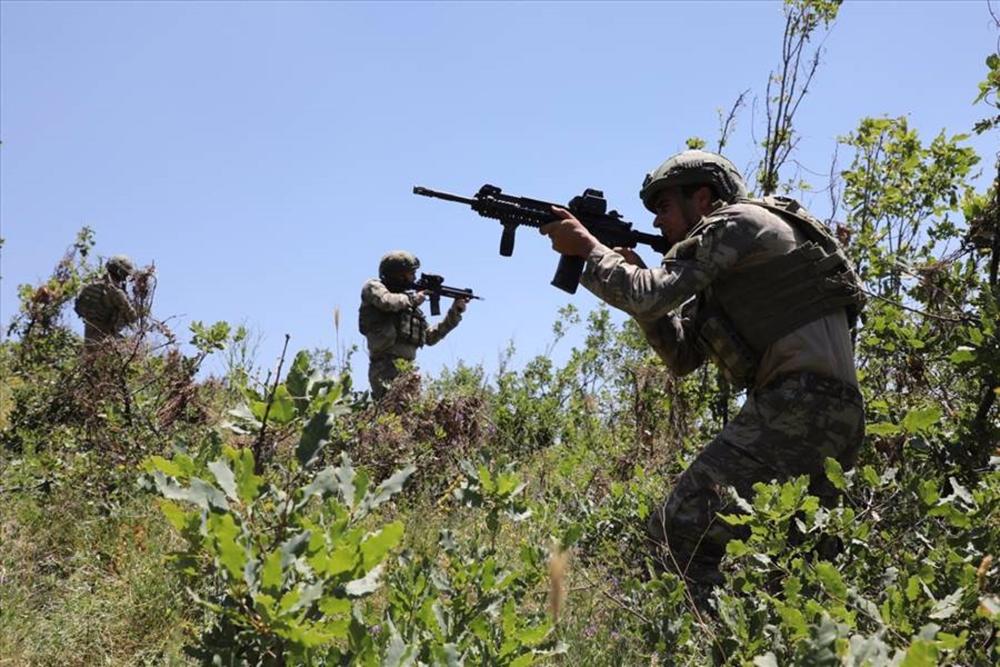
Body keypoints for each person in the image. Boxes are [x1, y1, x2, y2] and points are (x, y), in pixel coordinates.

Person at [540, 150, 865, 605]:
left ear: (704, 199)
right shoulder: (737, 262)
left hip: (796, 403)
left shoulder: (738, 221)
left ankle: (692, 636)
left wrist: (590, 250)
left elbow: (649, 294)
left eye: (664, 207)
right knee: (798, 560)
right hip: (834, 412)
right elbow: (683, 356)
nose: (657, 222)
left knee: (677, 531)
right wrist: (636, 290)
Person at [358, 251, 469, 400]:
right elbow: (387, 301)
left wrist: (455, 312)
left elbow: (430, 337)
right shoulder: (373, 287)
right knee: (390, 410)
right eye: (411, 273)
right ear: (398, 274)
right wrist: (413, 299)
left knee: (409, 412)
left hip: (408, 369)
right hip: (385, 367)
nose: (414, 278)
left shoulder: (408, 305)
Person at [74, 255, 138, 350]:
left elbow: (79, 308)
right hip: (106, 342)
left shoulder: (91, 286)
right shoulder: (116, 292)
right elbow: (132, 317)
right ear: (121, 273)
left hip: (89, 338)